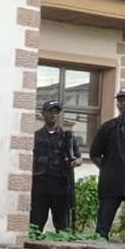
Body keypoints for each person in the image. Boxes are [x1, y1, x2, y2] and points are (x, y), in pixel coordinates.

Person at [90, 89, 125, 243]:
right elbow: (95, 154)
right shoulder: (108, 127)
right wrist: (109, 169)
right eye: (120, 100)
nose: (123, 104)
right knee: (101, 232)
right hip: (111, 185)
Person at [30, 99, 82, 232]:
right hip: (40, 187)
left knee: (63, 227)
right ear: (43, 114)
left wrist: (76, 161)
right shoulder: (35, 136)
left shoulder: (68, 137)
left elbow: (78, 157)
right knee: (35, 226)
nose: (53, 115)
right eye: (50, 112)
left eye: (56, 112)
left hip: (61, 187)